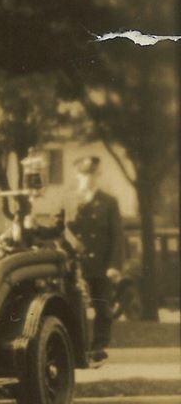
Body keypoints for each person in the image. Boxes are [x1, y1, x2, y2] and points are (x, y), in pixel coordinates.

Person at [68, 155, 123, 366]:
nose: (88, 178)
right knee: (74, 307)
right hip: (76, 266)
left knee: (103, 309)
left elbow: (117, 236)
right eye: (84, 174)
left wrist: (114, 265)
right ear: (77, 175)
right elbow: (61, 229)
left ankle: (98, 348)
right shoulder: (71, 200)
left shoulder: (109, 202)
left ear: (98, 175)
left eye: (92, 174)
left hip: (101, 265)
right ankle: (78, 349)